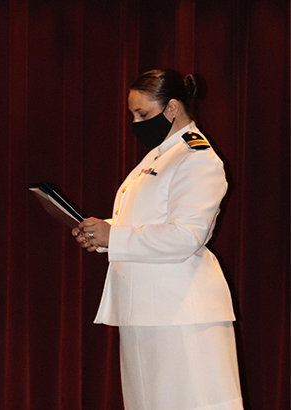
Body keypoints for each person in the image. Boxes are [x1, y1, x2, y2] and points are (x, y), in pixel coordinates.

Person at [72, 69, 243, 409]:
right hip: (144, 309)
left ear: (173, 108)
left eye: (143, 114)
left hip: (181, 311)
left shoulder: (198, 158)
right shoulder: (161, 155)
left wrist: (115, 237)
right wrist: (102, 233)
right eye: (133, 114)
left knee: (193, 403)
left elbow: (186, 236)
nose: (136, 123)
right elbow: (144, 221)